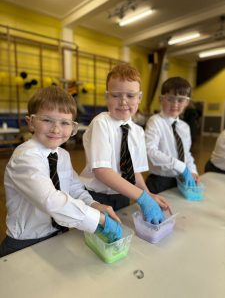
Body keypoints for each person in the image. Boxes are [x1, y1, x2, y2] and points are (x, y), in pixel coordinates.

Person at [0, 85, 122, 257]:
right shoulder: (24, 157)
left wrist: (93, 204)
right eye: (47, 120)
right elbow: (52, 201)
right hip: (26, 242)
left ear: (73, 127)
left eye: (64, 123)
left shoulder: (62, 155)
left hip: (58, 234)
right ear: (31, 122)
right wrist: (99, 219)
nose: (56, 129)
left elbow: (75, 188)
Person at [80, 63, 170, 225]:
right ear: (107, 96)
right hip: (96, 196)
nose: (123, 101)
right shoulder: (101, 123)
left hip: (123, 195)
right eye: (116, 95)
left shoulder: (137, 131)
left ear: (139, 98)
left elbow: (133, 171)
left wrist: (148, 195)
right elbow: (102, 171)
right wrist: (142, 197)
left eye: (130, 95)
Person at [145, 77, 199, 194]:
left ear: (187, 102)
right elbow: (150, 150)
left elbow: (186, 153)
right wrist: (180, 166)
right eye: (170, 99)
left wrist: (192, 171)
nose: (175, 104)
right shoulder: (155, 121)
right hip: (159, 181)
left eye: (180, 100)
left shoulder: (185, 127)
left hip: (180, 179)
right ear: (161, 99)